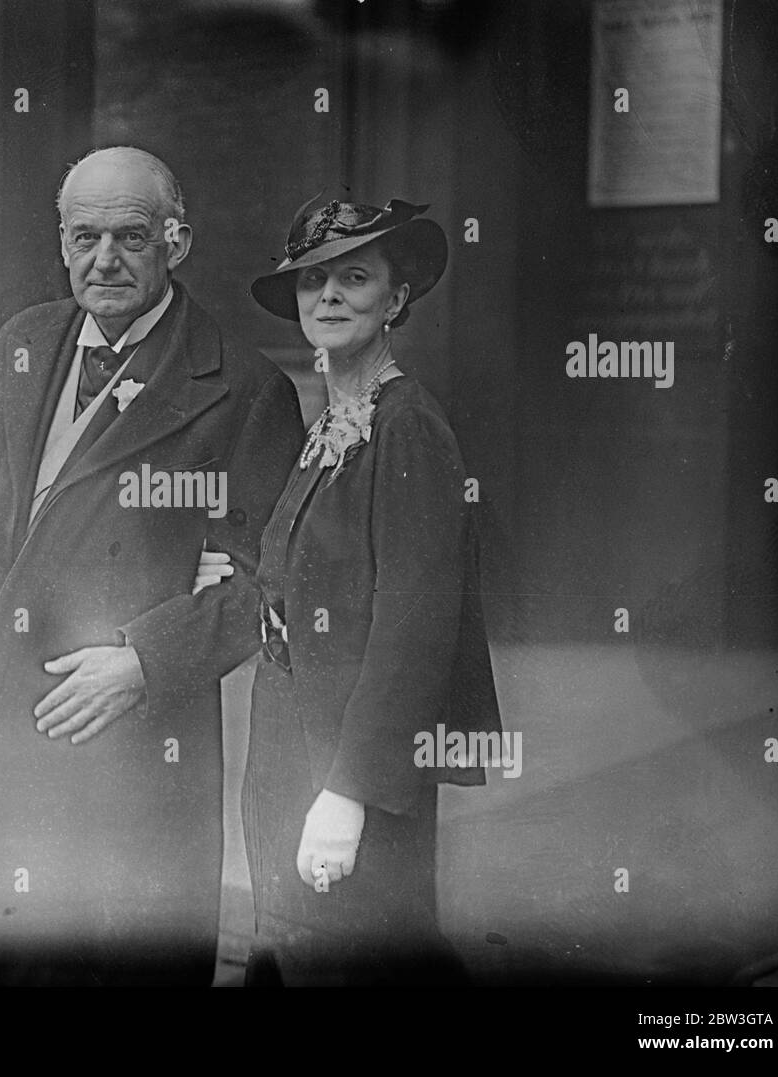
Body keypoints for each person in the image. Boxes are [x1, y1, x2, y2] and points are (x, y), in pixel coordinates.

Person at [0, 146, 304, 986]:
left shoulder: (242, 387)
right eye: (84, 237)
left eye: (131, 237)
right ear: (61, 240)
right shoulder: (23, 343)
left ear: (176, 242)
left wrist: (146, 660)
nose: (103, 260)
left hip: (119, 732)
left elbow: (271, 585)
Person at [199, 194, 502, 985]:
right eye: (312, 282)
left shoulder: (407, 428)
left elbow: (414, 629)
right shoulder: (331, 423)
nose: (327, 296)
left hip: (350, 770)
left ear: (396, 298)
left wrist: (348, 792)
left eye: (354, 277)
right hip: (286, 746)